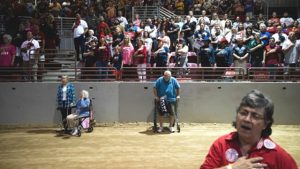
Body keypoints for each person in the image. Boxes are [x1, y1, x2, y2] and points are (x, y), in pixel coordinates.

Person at [200, 90, 298, 169]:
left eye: (255, 116)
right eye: (243, 113)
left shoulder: (277, 155)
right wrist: (231, 168)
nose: (247, 119)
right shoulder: (221, 145)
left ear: (265, 124)